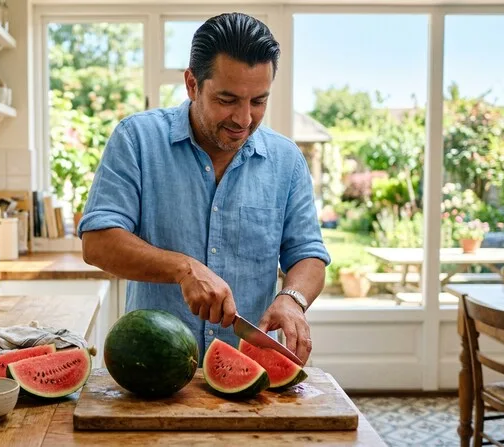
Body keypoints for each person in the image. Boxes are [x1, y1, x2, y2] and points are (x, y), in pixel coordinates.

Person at [76, 12, 330, 364]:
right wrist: (182, 268)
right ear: (192, 84)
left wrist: (293, 298)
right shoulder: (137, 139)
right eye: (227, 100)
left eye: (258, 101)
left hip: (250, 373)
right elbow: (97, 242)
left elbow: (308, 254)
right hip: (151, 370)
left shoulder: (286, 160)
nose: (243, 119)